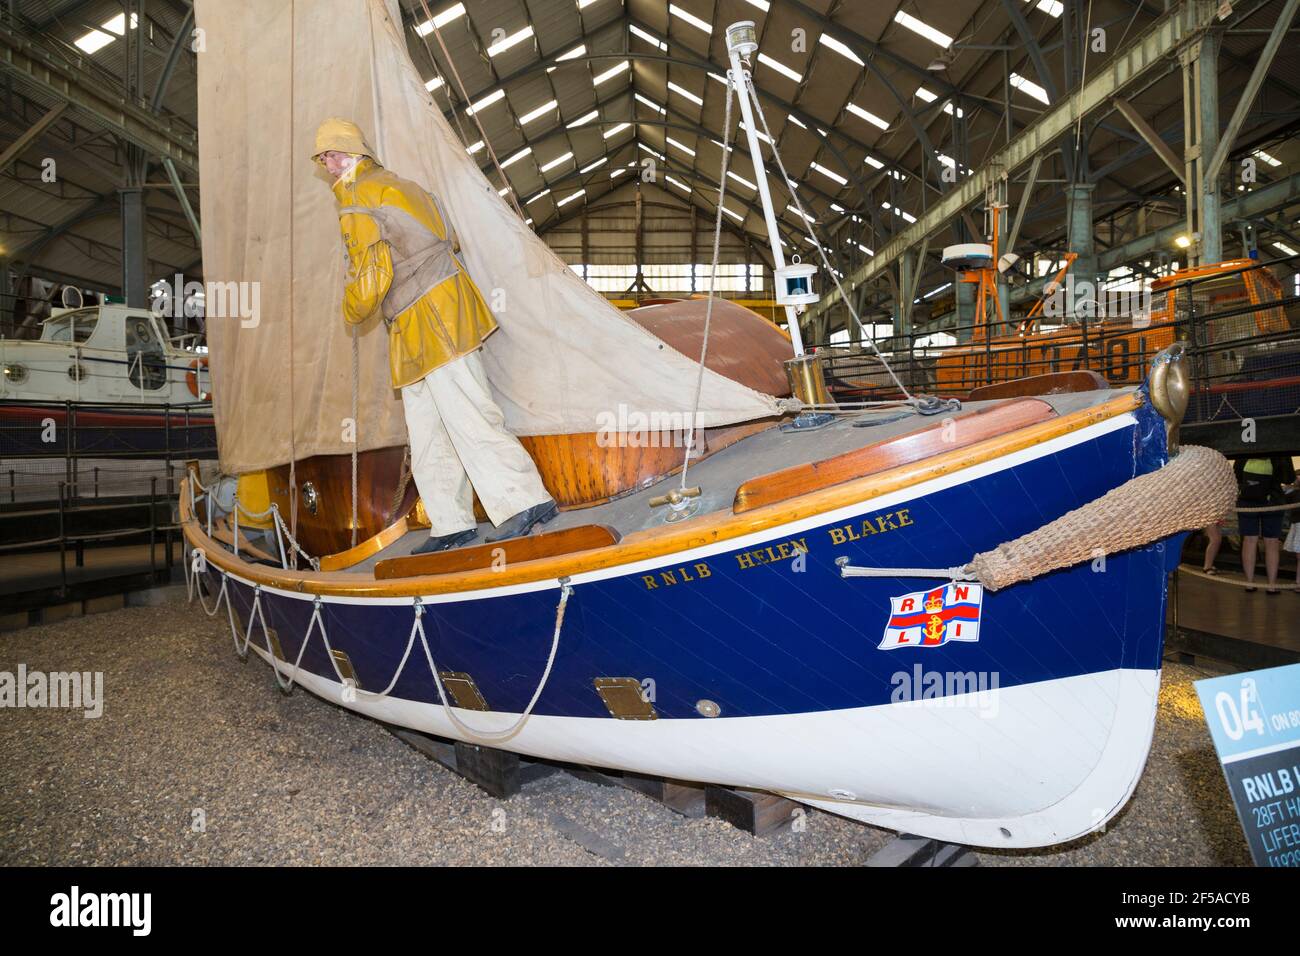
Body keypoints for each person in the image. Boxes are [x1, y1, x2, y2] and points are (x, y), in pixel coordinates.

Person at [312, 119, 557, 555]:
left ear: (354, 153)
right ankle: (450, 523)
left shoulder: (358, 198)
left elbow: (370, 278)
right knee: (428, 428)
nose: (329, 165)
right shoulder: (403, 186)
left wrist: (350, 310)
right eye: (324, 158)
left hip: (429, 316)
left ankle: (525, 501)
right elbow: (452, 239)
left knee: (467, 412)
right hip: (425, 314)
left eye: (333, 155)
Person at [1234, 455, 1295, 594]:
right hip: (1273, 500)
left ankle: (1249, 583)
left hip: (1247, 499)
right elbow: (1288, 478)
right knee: (1272, 542)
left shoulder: (1246, 446)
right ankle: (1272, 585)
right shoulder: (1279, 448)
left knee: (1249, 540)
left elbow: (1236, 473)